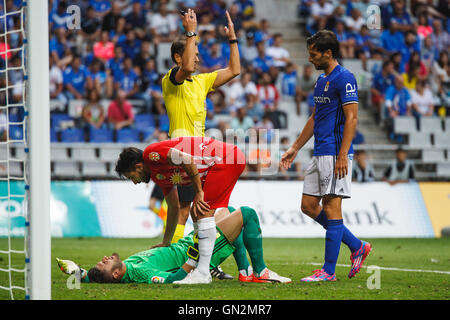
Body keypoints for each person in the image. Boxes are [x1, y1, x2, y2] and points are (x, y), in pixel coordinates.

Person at [280, 30, 371, 282]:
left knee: (332, 207)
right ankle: (356, 246)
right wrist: (296, 146)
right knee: (308, 206)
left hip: (335, 152)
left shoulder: (346, 78)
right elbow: (315, 116)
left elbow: (352, 117)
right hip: (319, 151)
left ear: (328, 53)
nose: (310, 59)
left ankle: (328, 271)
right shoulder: (322, 81)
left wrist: (343, 154)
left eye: (314, 54)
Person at [160, 8, 241, 279]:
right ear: (177, 56)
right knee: (186, 209)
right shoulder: (172, 81)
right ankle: (176, 256)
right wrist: (191, 32)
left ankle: (205, 263)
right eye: (193, 53)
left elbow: (235, 70)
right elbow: (184, 68)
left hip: (203, 153)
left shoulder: (202, 81)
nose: (197, 58)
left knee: (208, 211)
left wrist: (233, 40)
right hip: (181, 153)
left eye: (197, 54)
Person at [115, 136, 246, 284]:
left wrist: (198, 191)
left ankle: (203, 272)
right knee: (196, 213)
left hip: (226, 158)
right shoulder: (158, 176)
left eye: (131, 176)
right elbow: (173, 207)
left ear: (138, 166)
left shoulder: (151, 154)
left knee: (202, 212)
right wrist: (166, 241)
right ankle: (202, 268)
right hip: (222, 161)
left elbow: (186, 159)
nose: (134, 182)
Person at [56, 206, 291, 284]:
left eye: (102, 261)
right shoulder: (139, 273)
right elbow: (172, 281)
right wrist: (192, 258)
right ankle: (260, 271)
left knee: (225, 210)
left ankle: (244, 272)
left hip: (189, 240)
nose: (105, 259)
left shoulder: (124, 266)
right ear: (116, 274)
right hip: (198, 251)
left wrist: (77, 272)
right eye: (105, 264)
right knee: (247, 214)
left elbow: (90, 277)